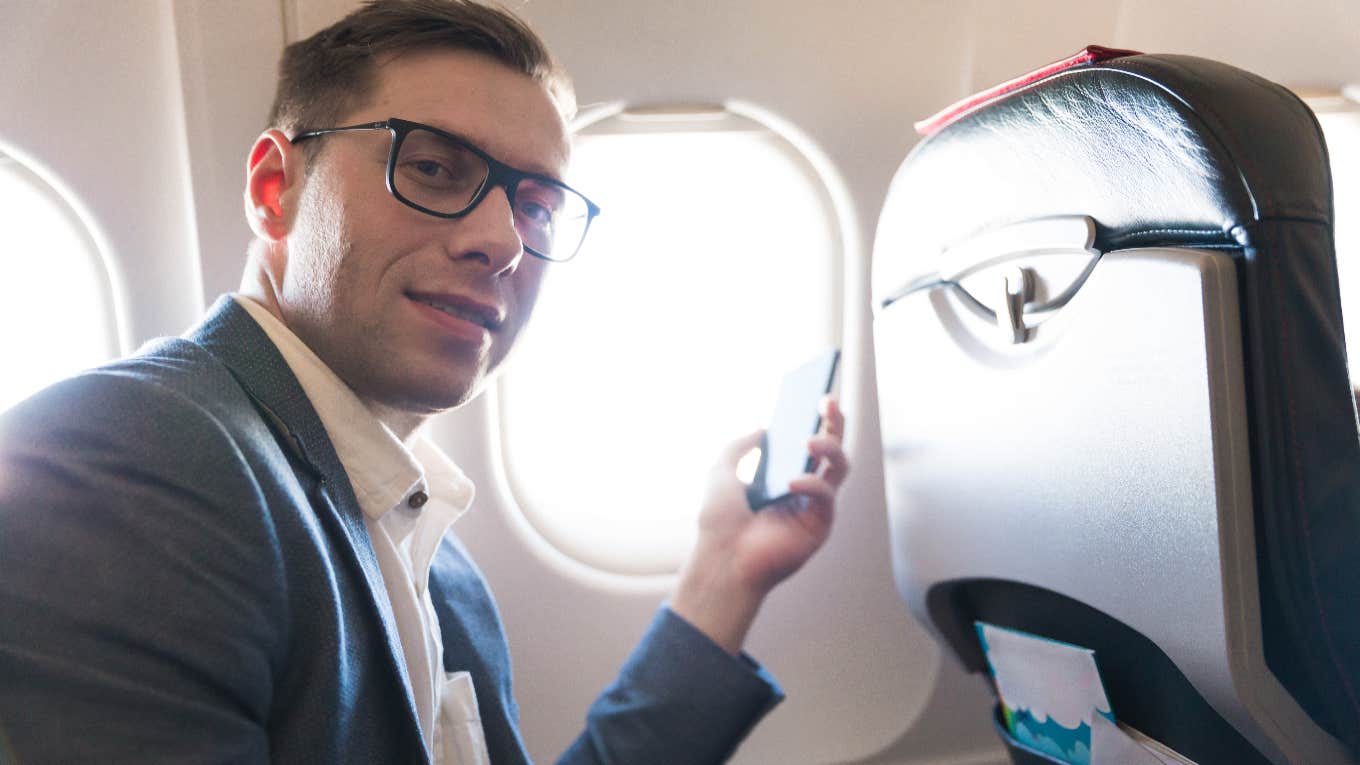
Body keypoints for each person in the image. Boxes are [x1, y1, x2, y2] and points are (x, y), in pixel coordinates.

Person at [0, 1, 849, 763]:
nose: (503, 242)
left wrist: (722, 578)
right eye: (436, 169)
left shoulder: (435, 555)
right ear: (274, 189)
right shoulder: (132, 455)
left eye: (537, 206)